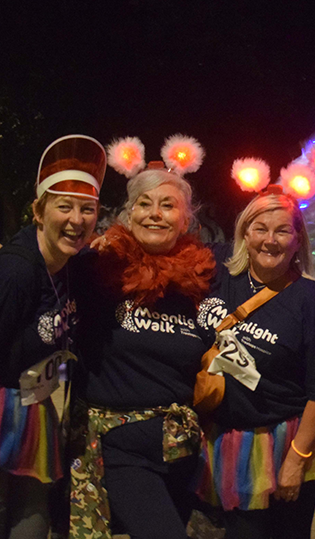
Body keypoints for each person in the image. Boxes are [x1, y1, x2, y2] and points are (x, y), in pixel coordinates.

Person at [68, 139, 215, 539]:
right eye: (144, 204)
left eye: (167, 205)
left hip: (182, 450)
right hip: (119, 447)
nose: (155, 214)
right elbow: (44, 270)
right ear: (128, 214)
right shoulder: (99, 268)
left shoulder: (204, 278)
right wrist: (4, 254)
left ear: (186, 219)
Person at [192, 189, 315, 539]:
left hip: (281, 445)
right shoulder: (220, 277)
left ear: (297, 240)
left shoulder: (311, 302)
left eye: (282, 231)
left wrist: (296, 460)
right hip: (222, 441)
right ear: (244, 233)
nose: (270, 241)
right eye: (260, 228)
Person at [0, 135, 106, 539]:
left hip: (32, 413)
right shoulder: (14, 272)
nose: (77, 220)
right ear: (38, 211)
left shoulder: (71, 263)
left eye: (87, 210)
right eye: (64, 207)